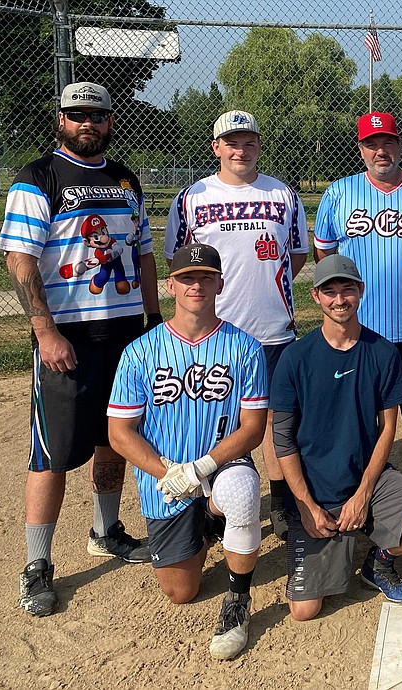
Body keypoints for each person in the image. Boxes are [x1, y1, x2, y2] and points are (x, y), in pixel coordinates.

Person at [0, 82, 161, 617]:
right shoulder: (38, 177)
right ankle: (37, 564)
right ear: (61, 120)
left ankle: (105, 528)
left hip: (124, 335)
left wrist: (154, 319)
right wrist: (45, 331)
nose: (86, 122)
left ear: (110, 121)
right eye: (76, 114)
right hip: (67, 338)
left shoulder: (124, 179)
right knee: (53, 453)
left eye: (96, 114)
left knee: (114, 438)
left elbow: (142, 256)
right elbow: (21, 260)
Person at [107, 243, 266, 660]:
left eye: (206, 277)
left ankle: (237, 600)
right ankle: (208, 522)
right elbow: (120, 432)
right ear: (171, 286)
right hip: (167, 477)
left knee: (242, 493)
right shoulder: (140, 352)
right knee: (180, 592)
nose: (197, 285)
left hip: (219, 464)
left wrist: (201, 468)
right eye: (187, 277)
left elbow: (253, 429)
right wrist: (168, 473)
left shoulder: (245, 347)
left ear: (220, 284)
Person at [270, 255, 402, 620]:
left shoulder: (381, 352)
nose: (339, 299)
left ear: (361, 291)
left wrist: (363, 495)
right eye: (329, 291)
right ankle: (336, 537)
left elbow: (387, 431)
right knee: (304, 610)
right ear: (315, 296)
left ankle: (377, 562)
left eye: (347, 288)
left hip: (369, 478)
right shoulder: (295, 357)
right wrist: (304, 503)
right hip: (316, 489)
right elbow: (283, 439)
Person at [165, 110, 309, 540]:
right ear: (216, 148)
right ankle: (209, 500)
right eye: (231, 143)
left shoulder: (282, 194)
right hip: (213, 332)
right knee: (211, 417)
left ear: (259, 147)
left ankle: (282, 499)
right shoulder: (193, 197)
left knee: (273, 421)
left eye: (248, 143)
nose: (240, 151)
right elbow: (177, 261)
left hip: (272, 329)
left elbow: (296, 254)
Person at [313, 111, 402, 491]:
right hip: (358, 332)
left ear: (400, 145)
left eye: (388, 142)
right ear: (361, 150)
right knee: (359, 420)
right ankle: (357, 492)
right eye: (372, 144)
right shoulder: (339, 193)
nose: (381, 151)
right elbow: (326, 260)